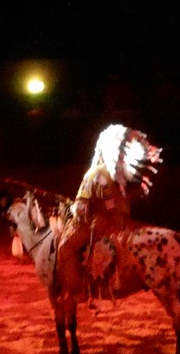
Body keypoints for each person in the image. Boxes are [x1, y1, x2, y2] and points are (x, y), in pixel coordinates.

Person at [56, 124, 161, 303]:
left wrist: (72, 208)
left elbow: (82, 210)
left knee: (65, 247)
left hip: (101, 224)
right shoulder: (121, 176)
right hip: (124, 223)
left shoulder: (94, 174)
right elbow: (114, 203)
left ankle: (76, 289)